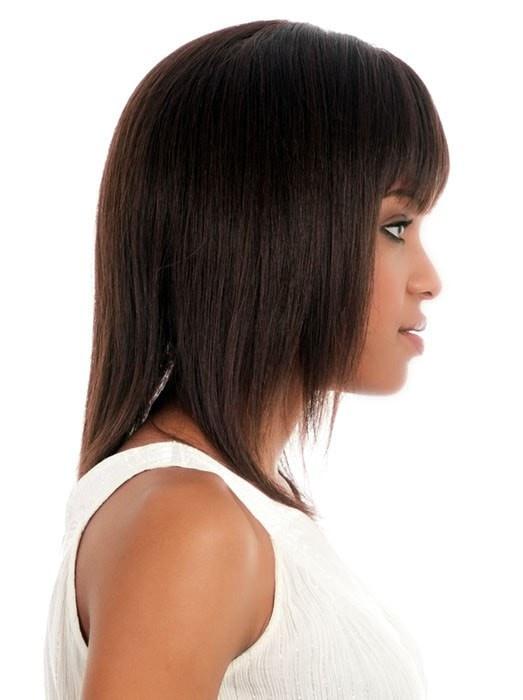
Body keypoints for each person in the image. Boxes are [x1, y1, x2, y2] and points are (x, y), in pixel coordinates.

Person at [43, 18, 448, 699]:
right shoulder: (189, 523)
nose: (429, 279)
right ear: (274, 230)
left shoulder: (220, 508)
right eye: (395, 226)